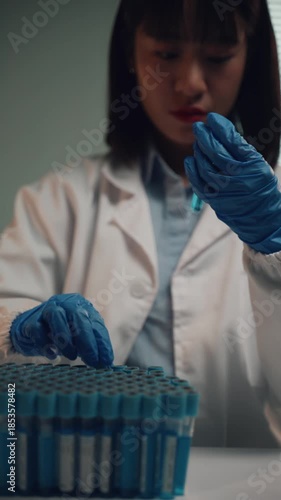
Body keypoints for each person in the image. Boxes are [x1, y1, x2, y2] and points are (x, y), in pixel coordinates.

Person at [0, 0, 281, 448]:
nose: (190, 83)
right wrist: (17, 330)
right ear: (131, 54)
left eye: (217, 57)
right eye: (167, 54)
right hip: (91, 482)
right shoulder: (59, 201)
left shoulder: (274, 203)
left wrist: (276, 250)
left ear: (253, 58)